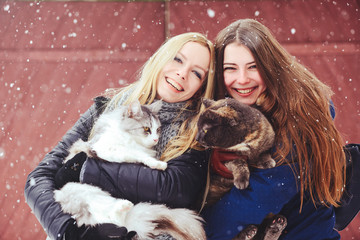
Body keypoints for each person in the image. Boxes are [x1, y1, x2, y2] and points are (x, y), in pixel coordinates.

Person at [24, 32, 216, 240]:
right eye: (177, 59)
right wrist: (69, 232)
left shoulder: (194, 132)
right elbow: (38, 178)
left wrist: (85, 169)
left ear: (201, 88)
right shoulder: (107, 108)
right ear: (161, 57)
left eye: (197, 73)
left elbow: (174, 188)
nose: (182, 73)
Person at [201, 19, 346, 240]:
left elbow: (256, 198)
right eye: (230, 68)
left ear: (270, 66)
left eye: (253, 66)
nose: (242, 79)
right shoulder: (223, 108)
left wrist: (198, 231)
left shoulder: (298, 118)